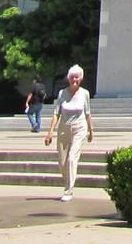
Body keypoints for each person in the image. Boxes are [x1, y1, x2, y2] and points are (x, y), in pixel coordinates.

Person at [42, 64, 94, 202]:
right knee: (63, 161)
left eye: (77, 77)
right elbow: (56, 113)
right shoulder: (62, 93)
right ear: (68, 78)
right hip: (64, 129)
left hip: (79, 128)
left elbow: (88, 113)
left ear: (80, 79)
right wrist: (50, 132)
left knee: (72, 159)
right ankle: (67, 183)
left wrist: (90, 130)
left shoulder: (85, 94)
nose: (74, 79)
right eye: (72, 77)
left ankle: (68, 190)